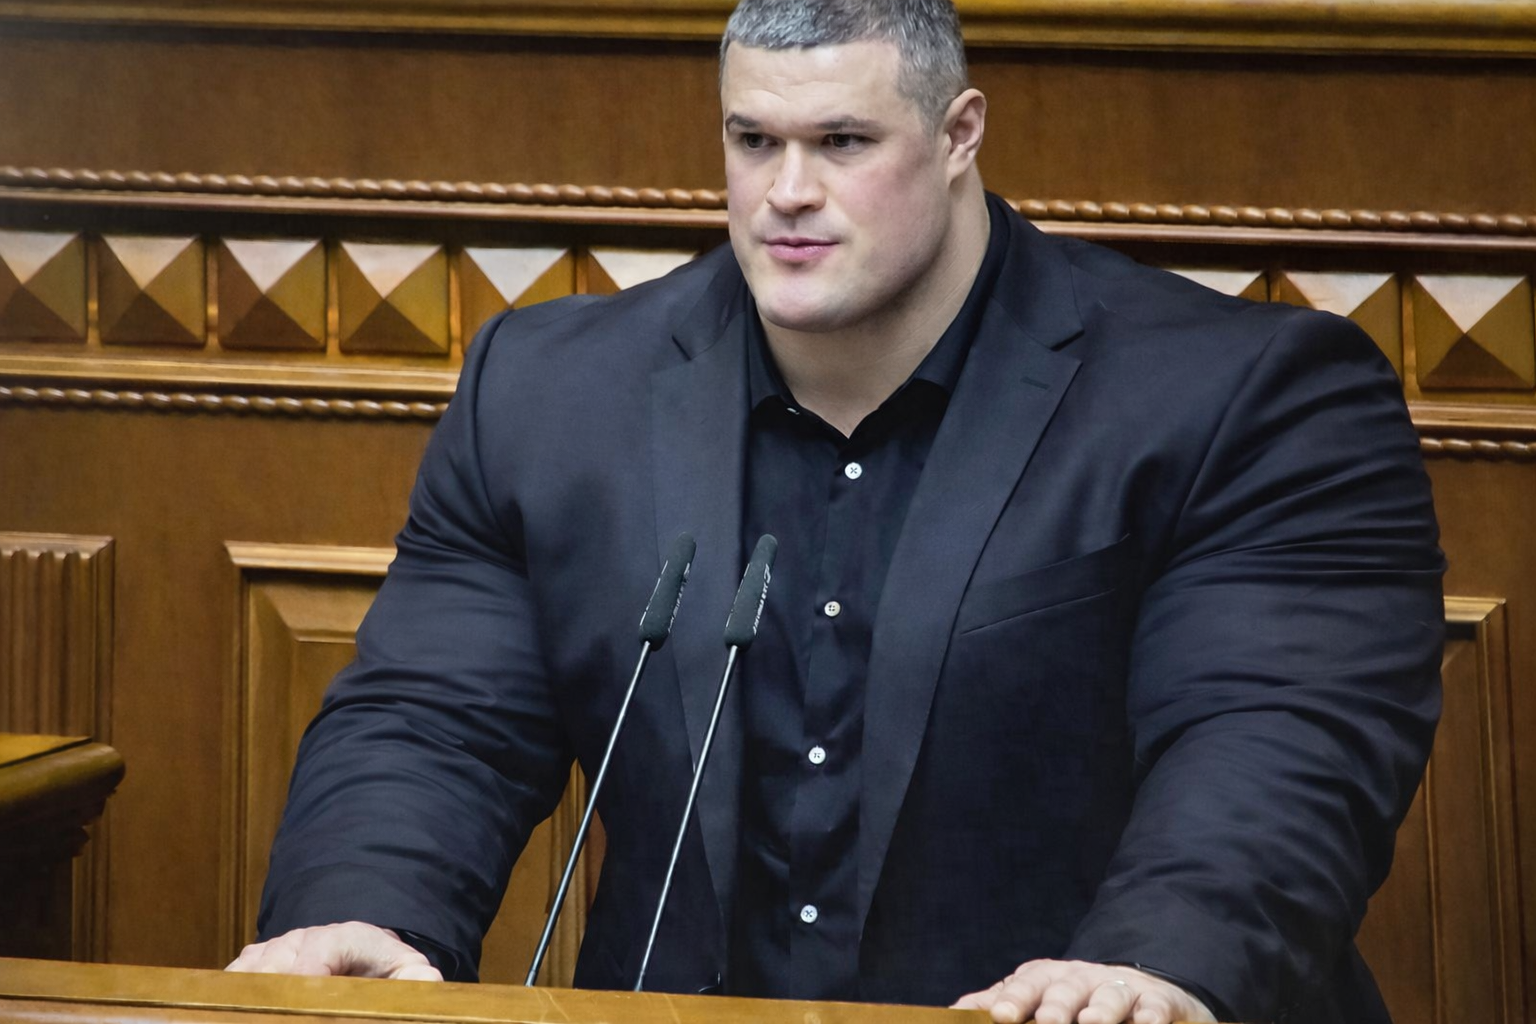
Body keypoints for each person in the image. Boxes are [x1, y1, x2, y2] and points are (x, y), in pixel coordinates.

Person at [229, 2, 1445, 1022]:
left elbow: (1280, 734)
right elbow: (435, 716)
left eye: (843, 141)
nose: (787, 193)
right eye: (753, 140)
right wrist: (365, 912)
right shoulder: (548, 396)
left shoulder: (1247, 396)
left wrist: (1154, 964)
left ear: (960, 133)